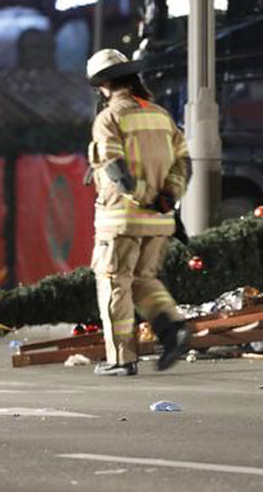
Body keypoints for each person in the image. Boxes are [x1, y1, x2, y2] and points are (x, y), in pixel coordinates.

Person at [85, 48, 191, 376]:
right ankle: (173, 327)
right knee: (144, 280)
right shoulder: (160, 115)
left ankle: (121, 358)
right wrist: (166, 198)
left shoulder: (109, 118)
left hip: (121, 219)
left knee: (114, 283)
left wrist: (143, 196)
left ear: (103, 84)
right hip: (158, 221)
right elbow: (184, 163)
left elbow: (116, 169)